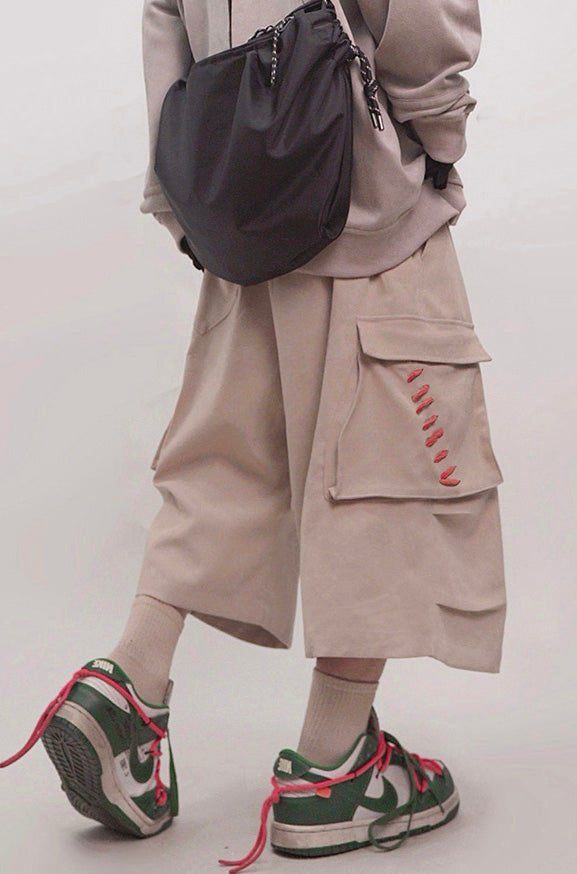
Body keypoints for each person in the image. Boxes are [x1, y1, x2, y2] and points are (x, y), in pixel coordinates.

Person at [1, 0, 507, 870]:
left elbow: (165, 13)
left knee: (231, 459)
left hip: (245, 197)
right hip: (358, 190)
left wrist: (183, 189)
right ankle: (336, 765)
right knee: (378, 467)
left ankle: (130, 683)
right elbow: (420, 17)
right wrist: (439, 130)